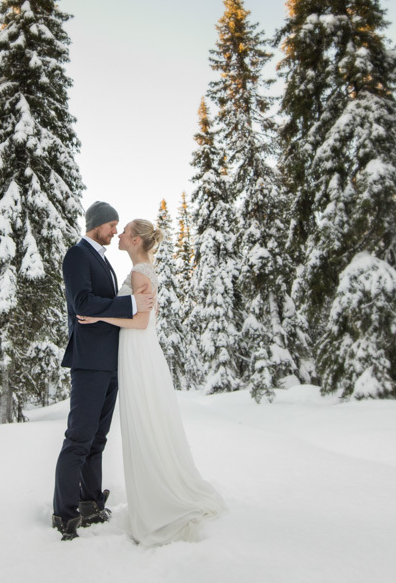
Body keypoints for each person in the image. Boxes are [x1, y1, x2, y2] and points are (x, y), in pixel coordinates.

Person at [76, 218, 225, 546]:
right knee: (145, 422)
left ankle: (161, 502)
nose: (120, 235)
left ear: (137, 240)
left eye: (125, 231)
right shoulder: (139, 269)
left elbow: (141, 322)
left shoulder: (141, 271)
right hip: (133, 352)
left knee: (145, 422)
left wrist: (100, 316)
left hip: (139, 353)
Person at [52, 201, 156, 540]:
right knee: (78, 440)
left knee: (97, 439)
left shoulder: (103, 259)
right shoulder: (77, 255)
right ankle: (64, 514)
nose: (115, 230)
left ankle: (91, 503)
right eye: (112, 224)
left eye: (117, 226)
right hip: (89, 362)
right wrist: (130, 304)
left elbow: (102, 307)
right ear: (97, 224)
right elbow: (81, 303)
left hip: (110, 362)